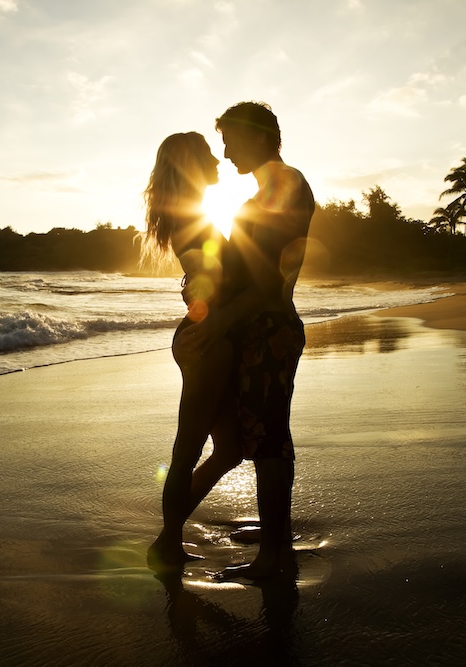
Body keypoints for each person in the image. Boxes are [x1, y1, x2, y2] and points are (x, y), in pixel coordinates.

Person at [179, 102, 314, 578]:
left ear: (256, 136)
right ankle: (277, 545)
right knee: (268, 439)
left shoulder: (284, 184)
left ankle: (275, 558)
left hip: (270, 327)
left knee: (271, 441)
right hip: (262, 327)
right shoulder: (265, 192)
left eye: (229, 140)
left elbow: (267, 281)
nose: (225, 151)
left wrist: (218, 322)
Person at [143, 132, 245, 572]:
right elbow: (208, 281)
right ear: (189, 164)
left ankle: (167, 537)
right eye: (206, 154)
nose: (217, 160)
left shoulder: (194, 214)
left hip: (210, 339)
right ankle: (167, 544)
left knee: (230, 449)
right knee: (189, 448)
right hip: (207, 342)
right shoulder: (190, 218)